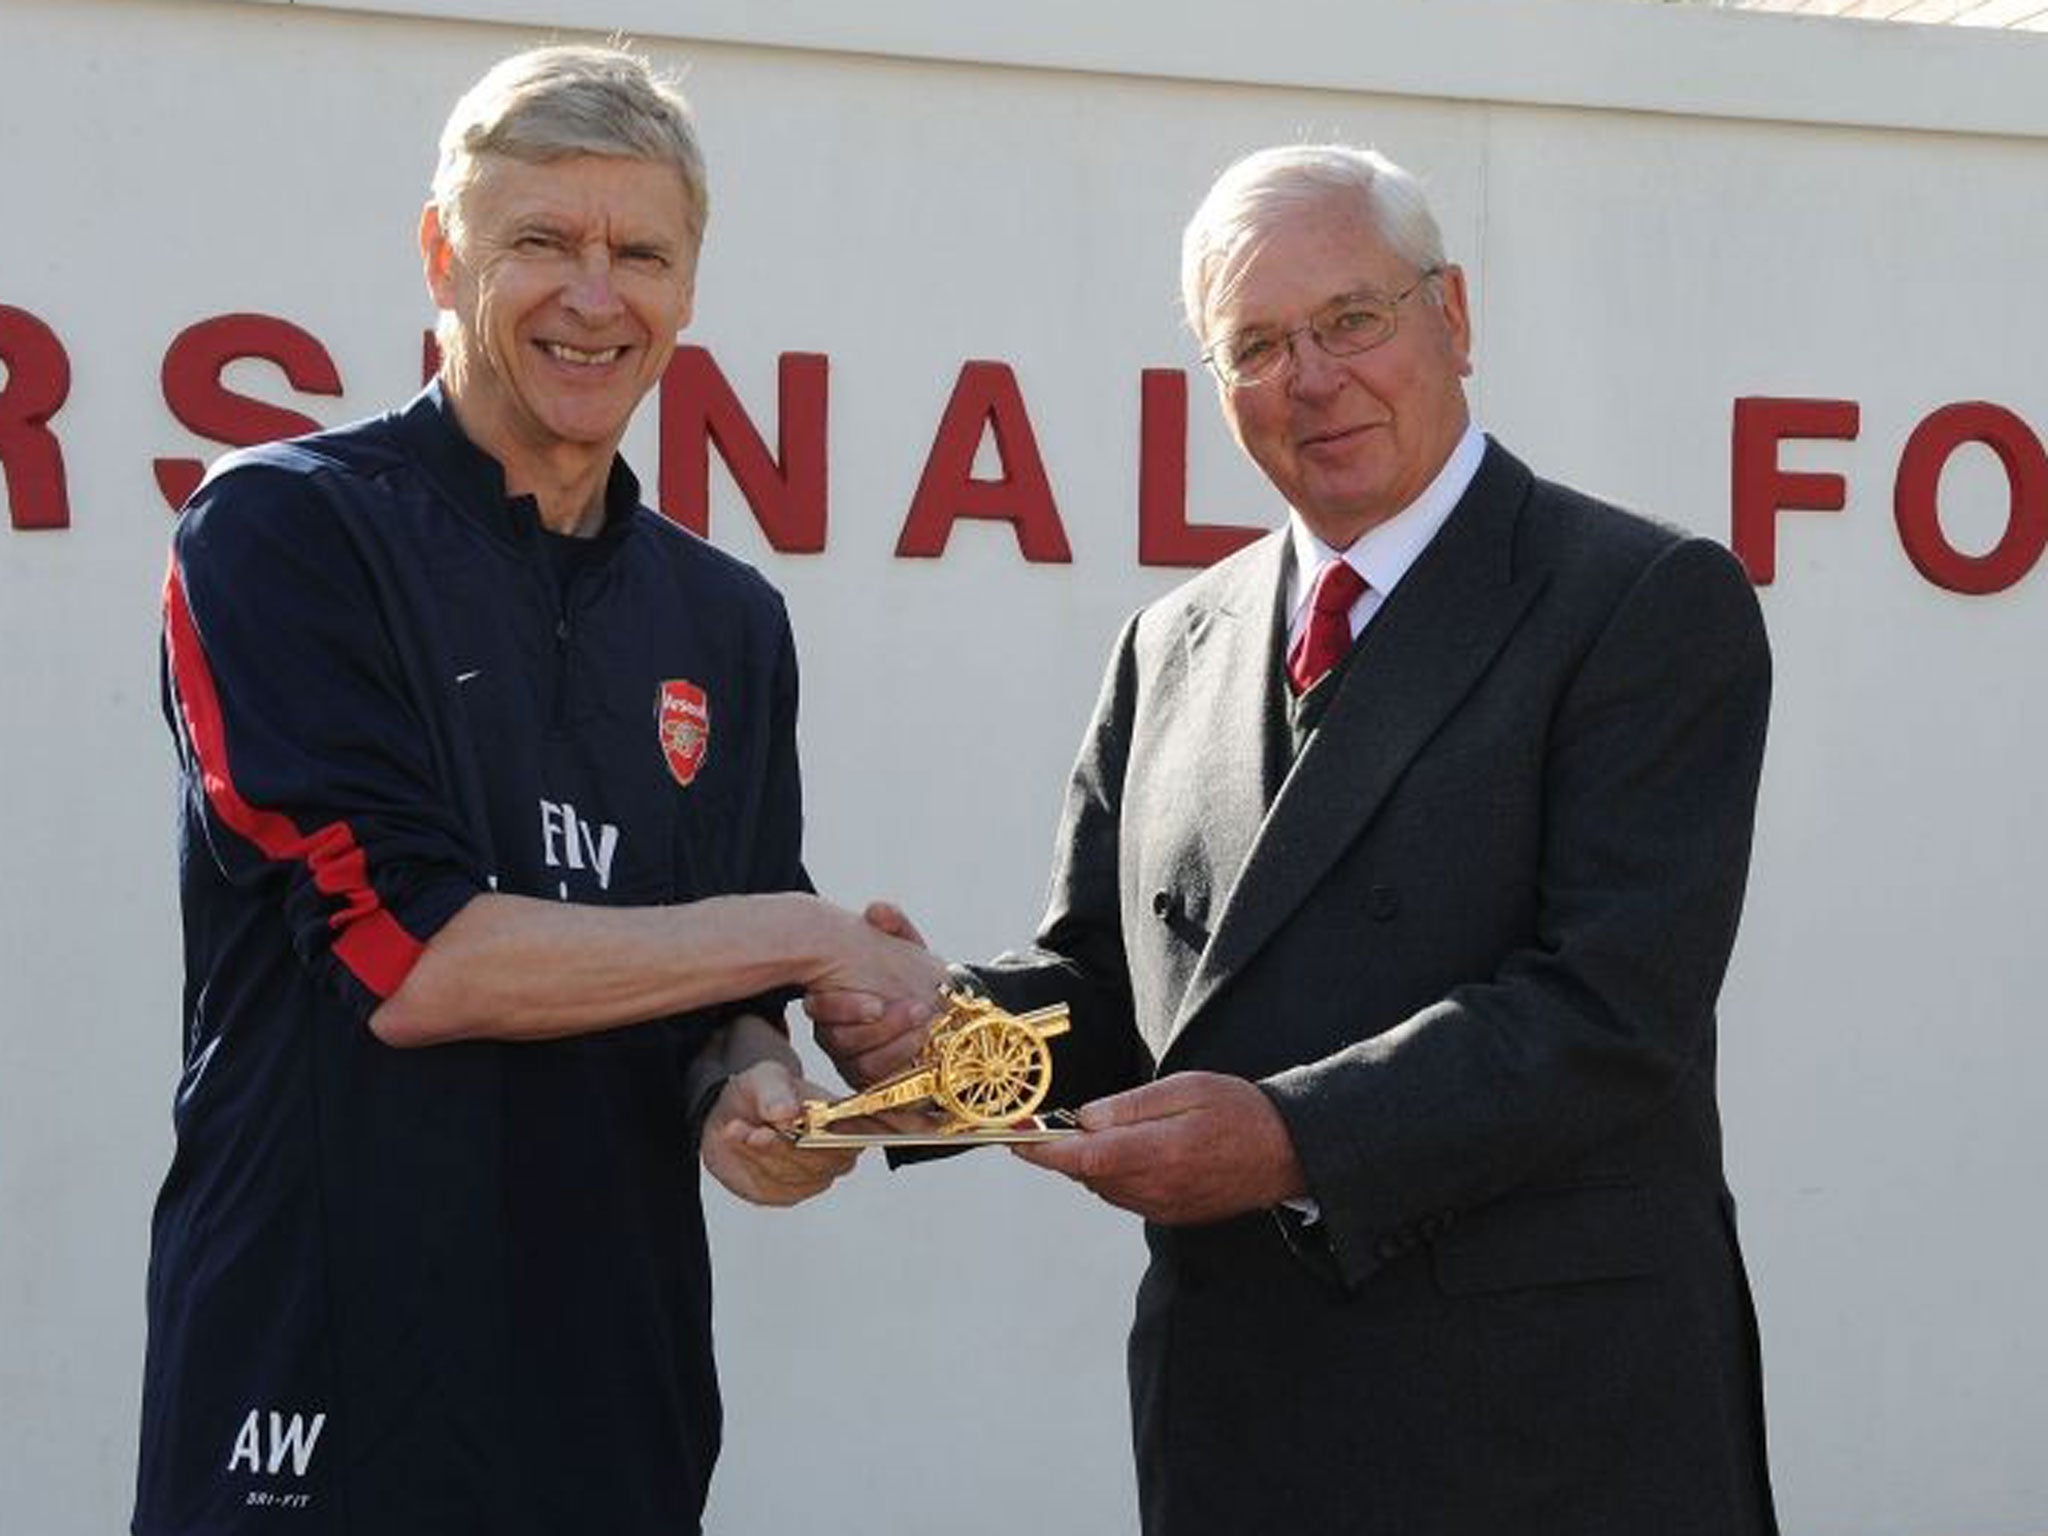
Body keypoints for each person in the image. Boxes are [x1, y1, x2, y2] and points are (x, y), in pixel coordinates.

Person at [814, 144, 1778, 1535]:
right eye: (1255, 344)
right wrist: (934, 1048)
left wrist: (1289, 1138)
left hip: (1544, 1436)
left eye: (1352, 321)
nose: (1311, 378)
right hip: (1241, 1425)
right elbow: (1105, 989)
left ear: (1453, 317)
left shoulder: (1640, 601)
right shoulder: (1172, 641)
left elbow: (1612, 1007)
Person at [135, 44, 943, 1536]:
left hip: (613, 1411)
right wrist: (812, 937)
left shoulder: (727, 620)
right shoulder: (282, 532)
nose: (595, 295)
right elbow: (417, 966)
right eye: (540, 243)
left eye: (640, 251)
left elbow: (719, 994)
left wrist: (757, 1099)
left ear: (690, 289)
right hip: (317, 1399)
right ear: (444, 254)